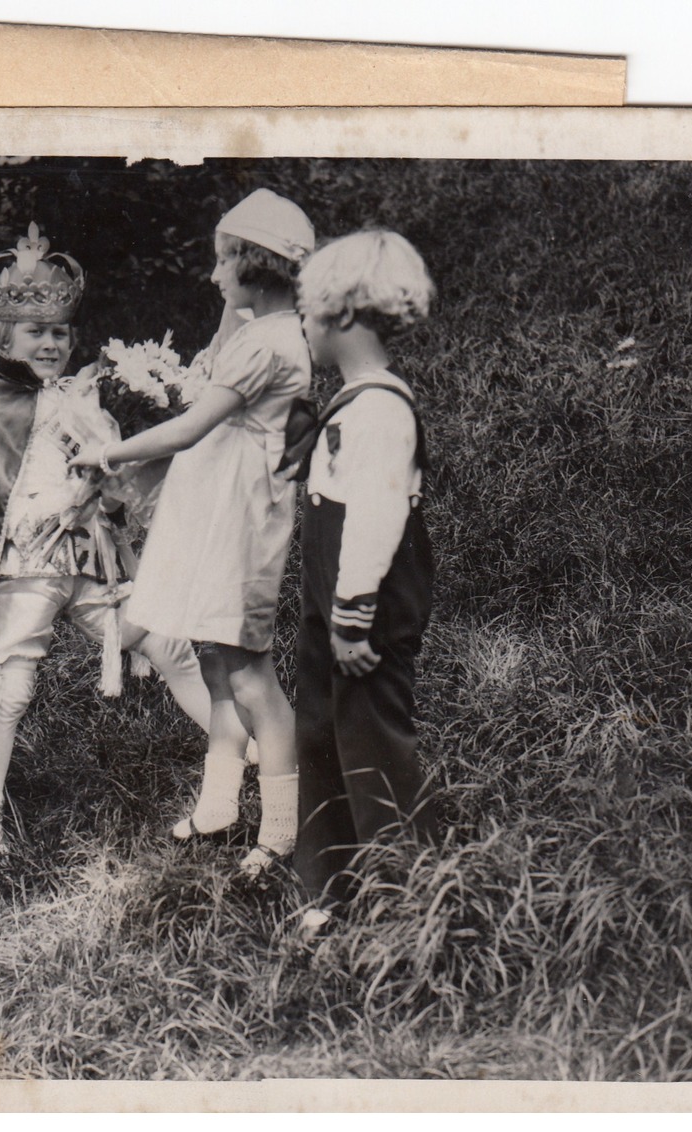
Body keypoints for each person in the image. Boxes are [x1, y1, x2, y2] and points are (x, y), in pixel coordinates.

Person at [0, 223, 212, 871]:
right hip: (25, 559)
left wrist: (107, 485)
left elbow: (113, 473)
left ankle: (235, 750)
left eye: (59, 332)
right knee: (12, 675)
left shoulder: (86, 395)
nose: (50, 343)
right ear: (3, 337)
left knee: (164, 637)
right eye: (36, 333)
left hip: (90, 556)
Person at [70, 188, 313, 879]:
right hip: (212, 510)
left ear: (256, 267)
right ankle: (217, 806)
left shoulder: (267, 344)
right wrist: (230, 303)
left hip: (239, 524)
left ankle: (281, 833)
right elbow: (213, 355)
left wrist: (110, 453)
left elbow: (190, 426)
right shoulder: (248, 329)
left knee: (249, 673)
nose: (212, 277)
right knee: (212, 659)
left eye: (223, 263)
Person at [285, 229, 441, 907]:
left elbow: (375, 523)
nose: (302, 326)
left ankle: (410, 897)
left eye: (306, 311)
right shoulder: (351, 402)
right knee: (318, 735)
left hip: (363, 612)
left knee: (371, 743)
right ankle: (330, 889)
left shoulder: (379, 411)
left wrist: (351, 622)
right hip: (330, 606)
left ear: (340, 313)